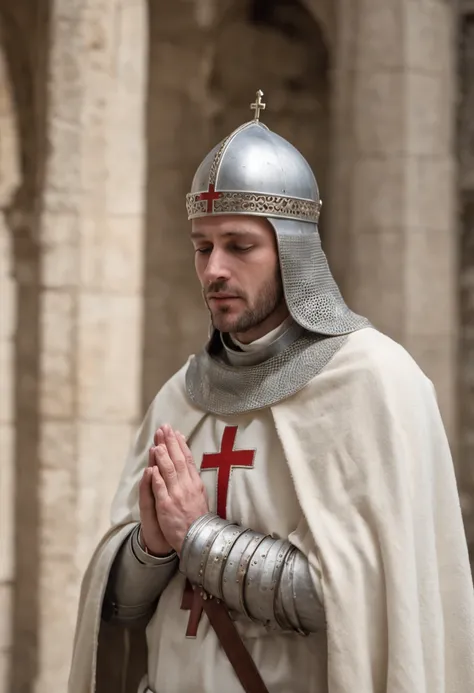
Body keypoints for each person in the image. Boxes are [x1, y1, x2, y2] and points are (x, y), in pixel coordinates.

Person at [68, 91, 474, 693]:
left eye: (240, 245)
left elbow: (368, 604)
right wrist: (151, 549)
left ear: (293, 251)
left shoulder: (374, 382)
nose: (214, 270)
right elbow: (124, 611)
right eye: (203, 247)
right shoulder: (181, 396)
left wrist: (196, 537)